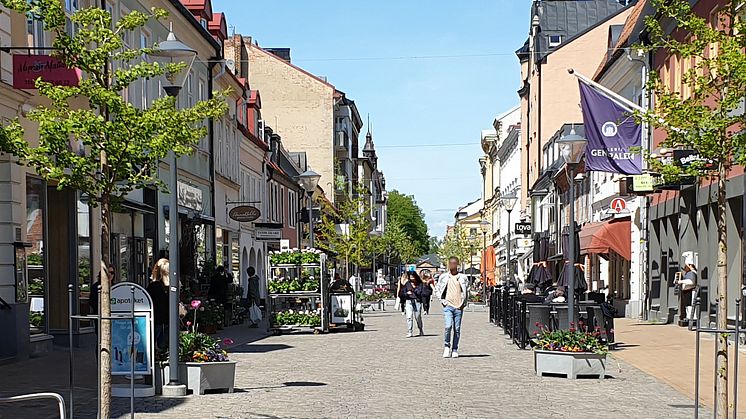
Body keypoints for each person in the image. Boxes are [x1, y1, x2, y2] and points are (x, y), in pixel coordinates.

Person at [435, 256, 469, 358]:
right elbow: (437, 289)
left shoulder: (463, 278)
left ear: (457, 265)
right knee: (448, 326)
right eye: (451, 264)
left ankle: (455, 349)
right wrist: (442, 301)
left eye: (454, 264)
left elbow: (466, 291)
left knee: (457, 329)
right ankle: (446, 346)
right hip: (448, 305)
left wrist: (463, 303)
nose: (452, 265)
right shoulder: (444, 277)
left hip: (458, 306)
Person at [147, 258, 170, 352]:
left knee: (155, 344)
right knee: (163, 344)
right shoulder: (170, 286)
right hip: (164, 320)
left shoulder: (153, 286)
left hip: (158, 319)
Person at [398, 271, 425, 337]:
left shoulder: (419, 284)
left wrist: (413, 291)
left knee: (417, 317)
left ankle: (420, 329)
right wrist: (406, 293)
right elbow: (403, 292)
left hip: (417, 302)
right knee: (409, 317)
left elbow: (420, 292)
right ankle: (409, 331)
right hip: (409, 301)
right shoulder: (408, 283)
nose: (412, 278)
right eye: (410, 276)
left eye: (413, 276)